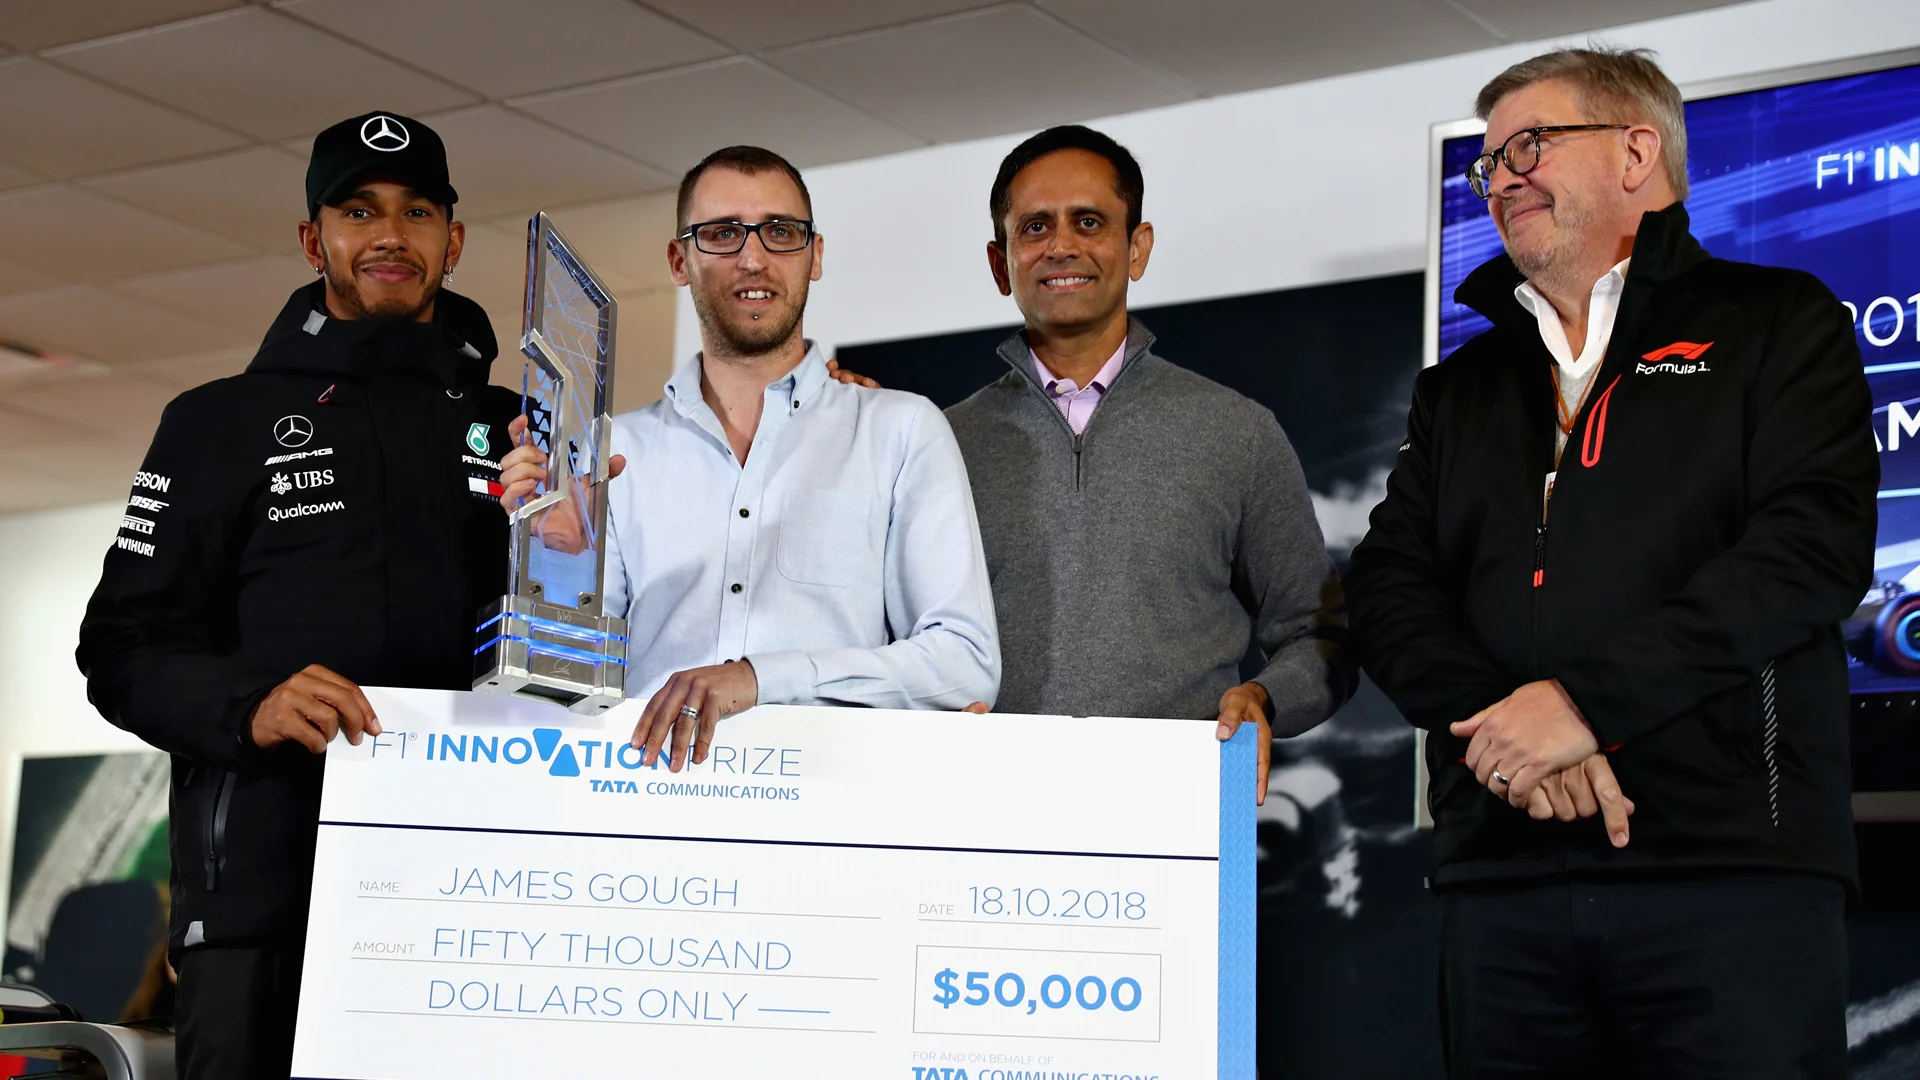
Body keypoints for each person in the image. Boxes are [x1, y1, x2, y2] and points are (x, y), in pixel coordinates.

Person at [1345, 47, 1876, 1077]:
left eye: (1530, 146)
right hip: (1502, 882)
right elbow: (1387, 586)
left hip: (1728, 875)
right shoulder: (1461, 387)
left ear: (1637, 150)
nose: (1501, 177)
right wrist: (1511, 733)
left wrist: (1585, 706)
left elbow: (1810, 550)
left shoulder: (1775, 321)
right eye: (1489, 161)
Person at [76, 111, 519, 1079]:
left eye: (418, 212)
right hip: (263, 911)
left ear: (454, 239)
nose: (391, 236)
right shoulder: (216, 424)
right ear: (315, 239)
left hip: (473, 904)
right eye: (360, 210)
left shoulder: (516, 433)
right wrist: (254, 705)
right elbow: (119, 649)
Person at [499, 146, 999, 771]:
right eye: (724, 233)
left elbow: (965, 666)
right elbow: (557, 699)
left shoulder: (899, 430)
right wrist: (554, 566)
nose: (753, 257)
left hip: (831, 811)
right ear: (680, 260)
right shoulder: (610, 455)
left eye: (781, 232)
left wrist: (758, 678)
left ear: (815, 256)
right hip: (650, 812)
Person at [929, 125, 1352, 802]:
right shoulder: (936, 444)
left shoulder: (1236, 433)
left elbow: (1320, 635)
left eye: (1088, 221)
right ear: (999, 261)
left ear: (1137, 247)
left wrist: (1264, 699)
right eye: (1034, 226)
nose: (1061, 244)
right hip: (982, 817)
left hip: (1178, 821)